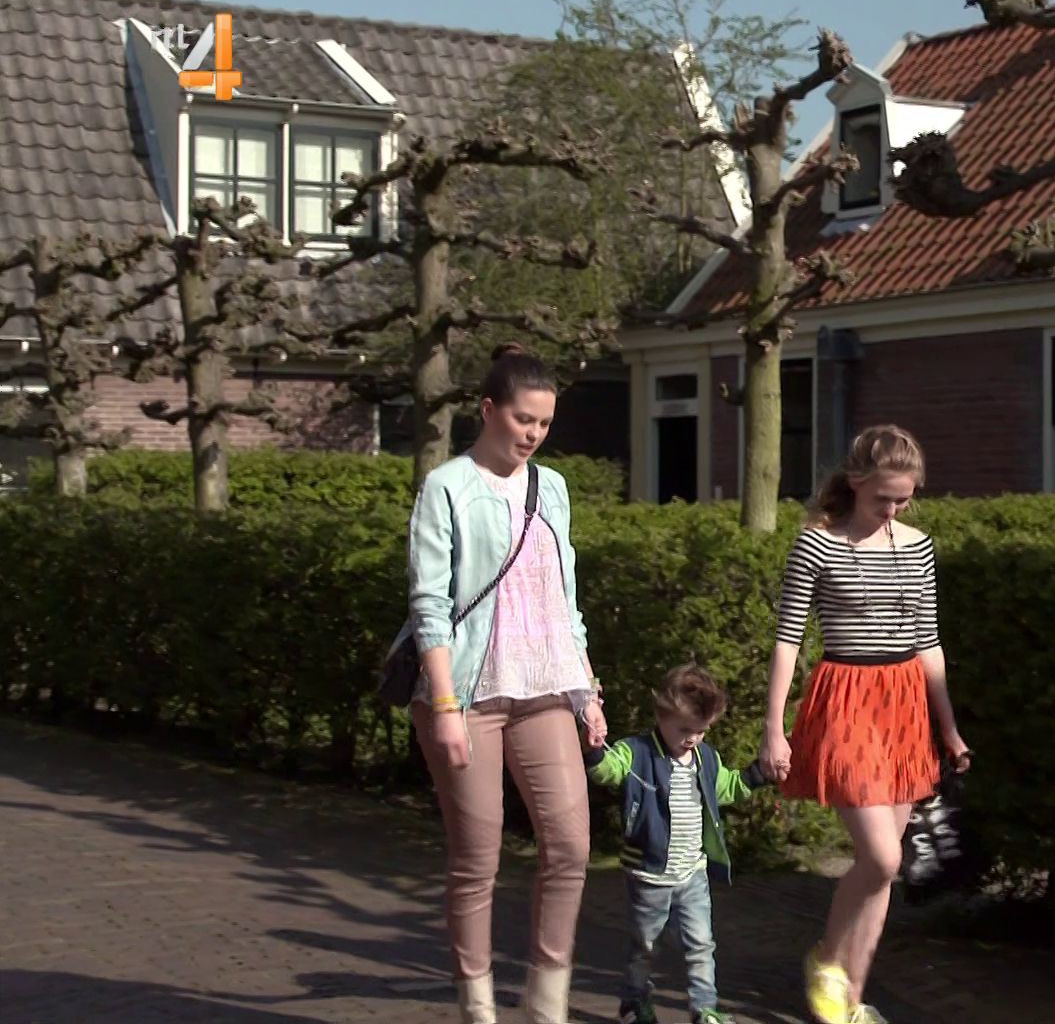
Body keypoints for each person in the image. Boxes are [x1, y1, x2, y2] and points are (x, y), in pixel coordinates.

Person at [408, 342, 609, 1024]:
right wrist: (443, 706)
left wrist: (586, 689)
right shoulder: (447, 487)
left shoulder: (552, 488)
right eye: (523, 419)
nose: (533, 434)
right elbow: (430, 604)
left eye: (544, 424)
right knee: (478, 857)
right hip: (468, 694)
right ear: (488, 410)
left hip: (543, 687)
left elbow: (563, 596)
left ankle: (546, 1009)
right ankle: (479, 1009)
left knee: (571, 847)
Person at [758, 424, 971, 1024]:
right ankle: (827, 958)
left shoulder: (918, 546)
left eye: (904, 499)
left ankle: (849, 1001)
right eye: (884, 498)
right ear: (855, 482)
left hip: (904, 703)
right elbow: (787, 640)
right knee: (881, 859)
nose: (893, 510)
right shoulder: (817, 545)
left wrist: (948, 728)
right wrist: (773, 727)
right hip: (846, 699)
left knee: (885, 868)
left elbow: (929, 644)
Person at [585, 664, 771, 1024]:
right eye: (685, 729)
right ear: (661, 715)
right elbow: (607, 771)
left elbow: (727, 788)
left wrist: (758, 774)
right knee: (645, 947)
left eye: (701, 731)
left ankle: (705, 1010)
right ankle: (634, 1003)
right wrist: (593, 750)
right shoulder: (637, 752)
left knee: (701, 945)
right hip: (649, 876)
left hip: (692, 874)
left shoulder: (706, 759)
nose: (693, 738)